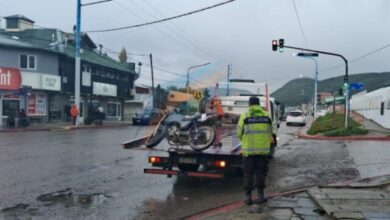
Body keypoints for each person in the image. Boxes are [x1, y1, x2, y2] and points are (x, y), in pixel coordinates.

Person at [236, 96, 273, 205]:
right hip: (263, 152)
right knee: (261, 173)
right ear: (259, 104)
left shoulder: (245, 116)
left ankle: (248, 197)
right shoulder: (267, 116)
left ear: (249, 104)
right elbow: (270, 132)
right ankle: (261, 195)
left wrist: (244, 140)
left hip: (249, 152)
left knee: (248, 174)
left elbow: (238, 133)